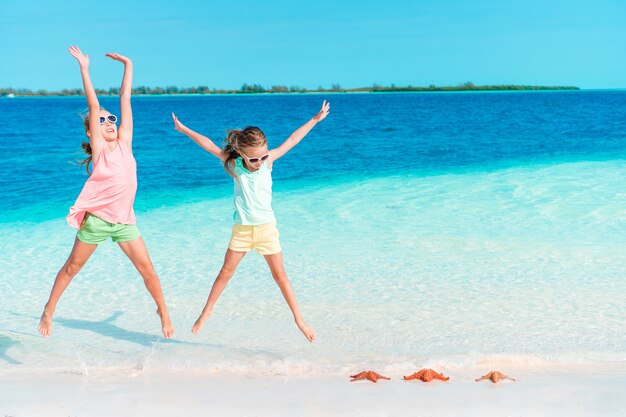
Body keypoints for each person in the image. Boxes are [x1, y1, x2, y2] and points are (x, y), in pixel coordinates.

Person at [38, 46, 175, 338]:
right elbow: (93, 102)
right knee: (72, 267)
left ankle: (162, 310)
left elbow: (125, 98)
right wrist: (85, 70)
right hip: (98, 220)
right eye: (101, 121)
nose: (109, 123)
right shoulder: (100, 149)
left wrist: (128, 64)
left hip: (124, 221)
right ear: (91, 133)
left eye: (110, 119)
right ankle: (49, 309)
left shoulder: (125, 141)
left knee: (148, 270)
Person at [171, 100, 330, 341]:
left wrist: (315, 119)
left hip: (267, 230)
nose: (259, 162)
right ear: (243, 155)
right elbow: (209, 145)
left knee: (280, 276)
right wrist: (184, 130)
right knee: (225, 272)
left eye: (263, 156)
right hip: (243, 231)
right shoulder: (234, 165)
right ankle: (207, 311)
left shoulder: (268, 163)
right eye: (254, 159)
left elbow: (293, 140)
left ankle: (299, 320)